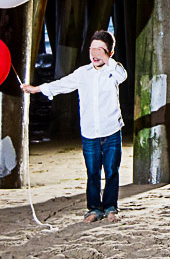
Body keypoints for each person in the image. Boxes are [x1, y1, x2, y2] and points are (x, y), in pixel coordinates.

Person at [21, 30, 127, 223]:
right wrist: (36, 89)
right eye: (91, 49)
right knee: (92, 172)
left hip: (111, 130)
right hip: (89, 132)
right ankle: (94, 209)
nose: (94, 53)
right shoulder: (82, 73)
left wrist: (107, 58)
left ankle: (111, 207)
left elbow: (122, 75)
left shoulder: (114, 70)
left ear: (110, 53)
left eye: (100, 50)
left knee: (112, 170)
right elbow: (61, 85)